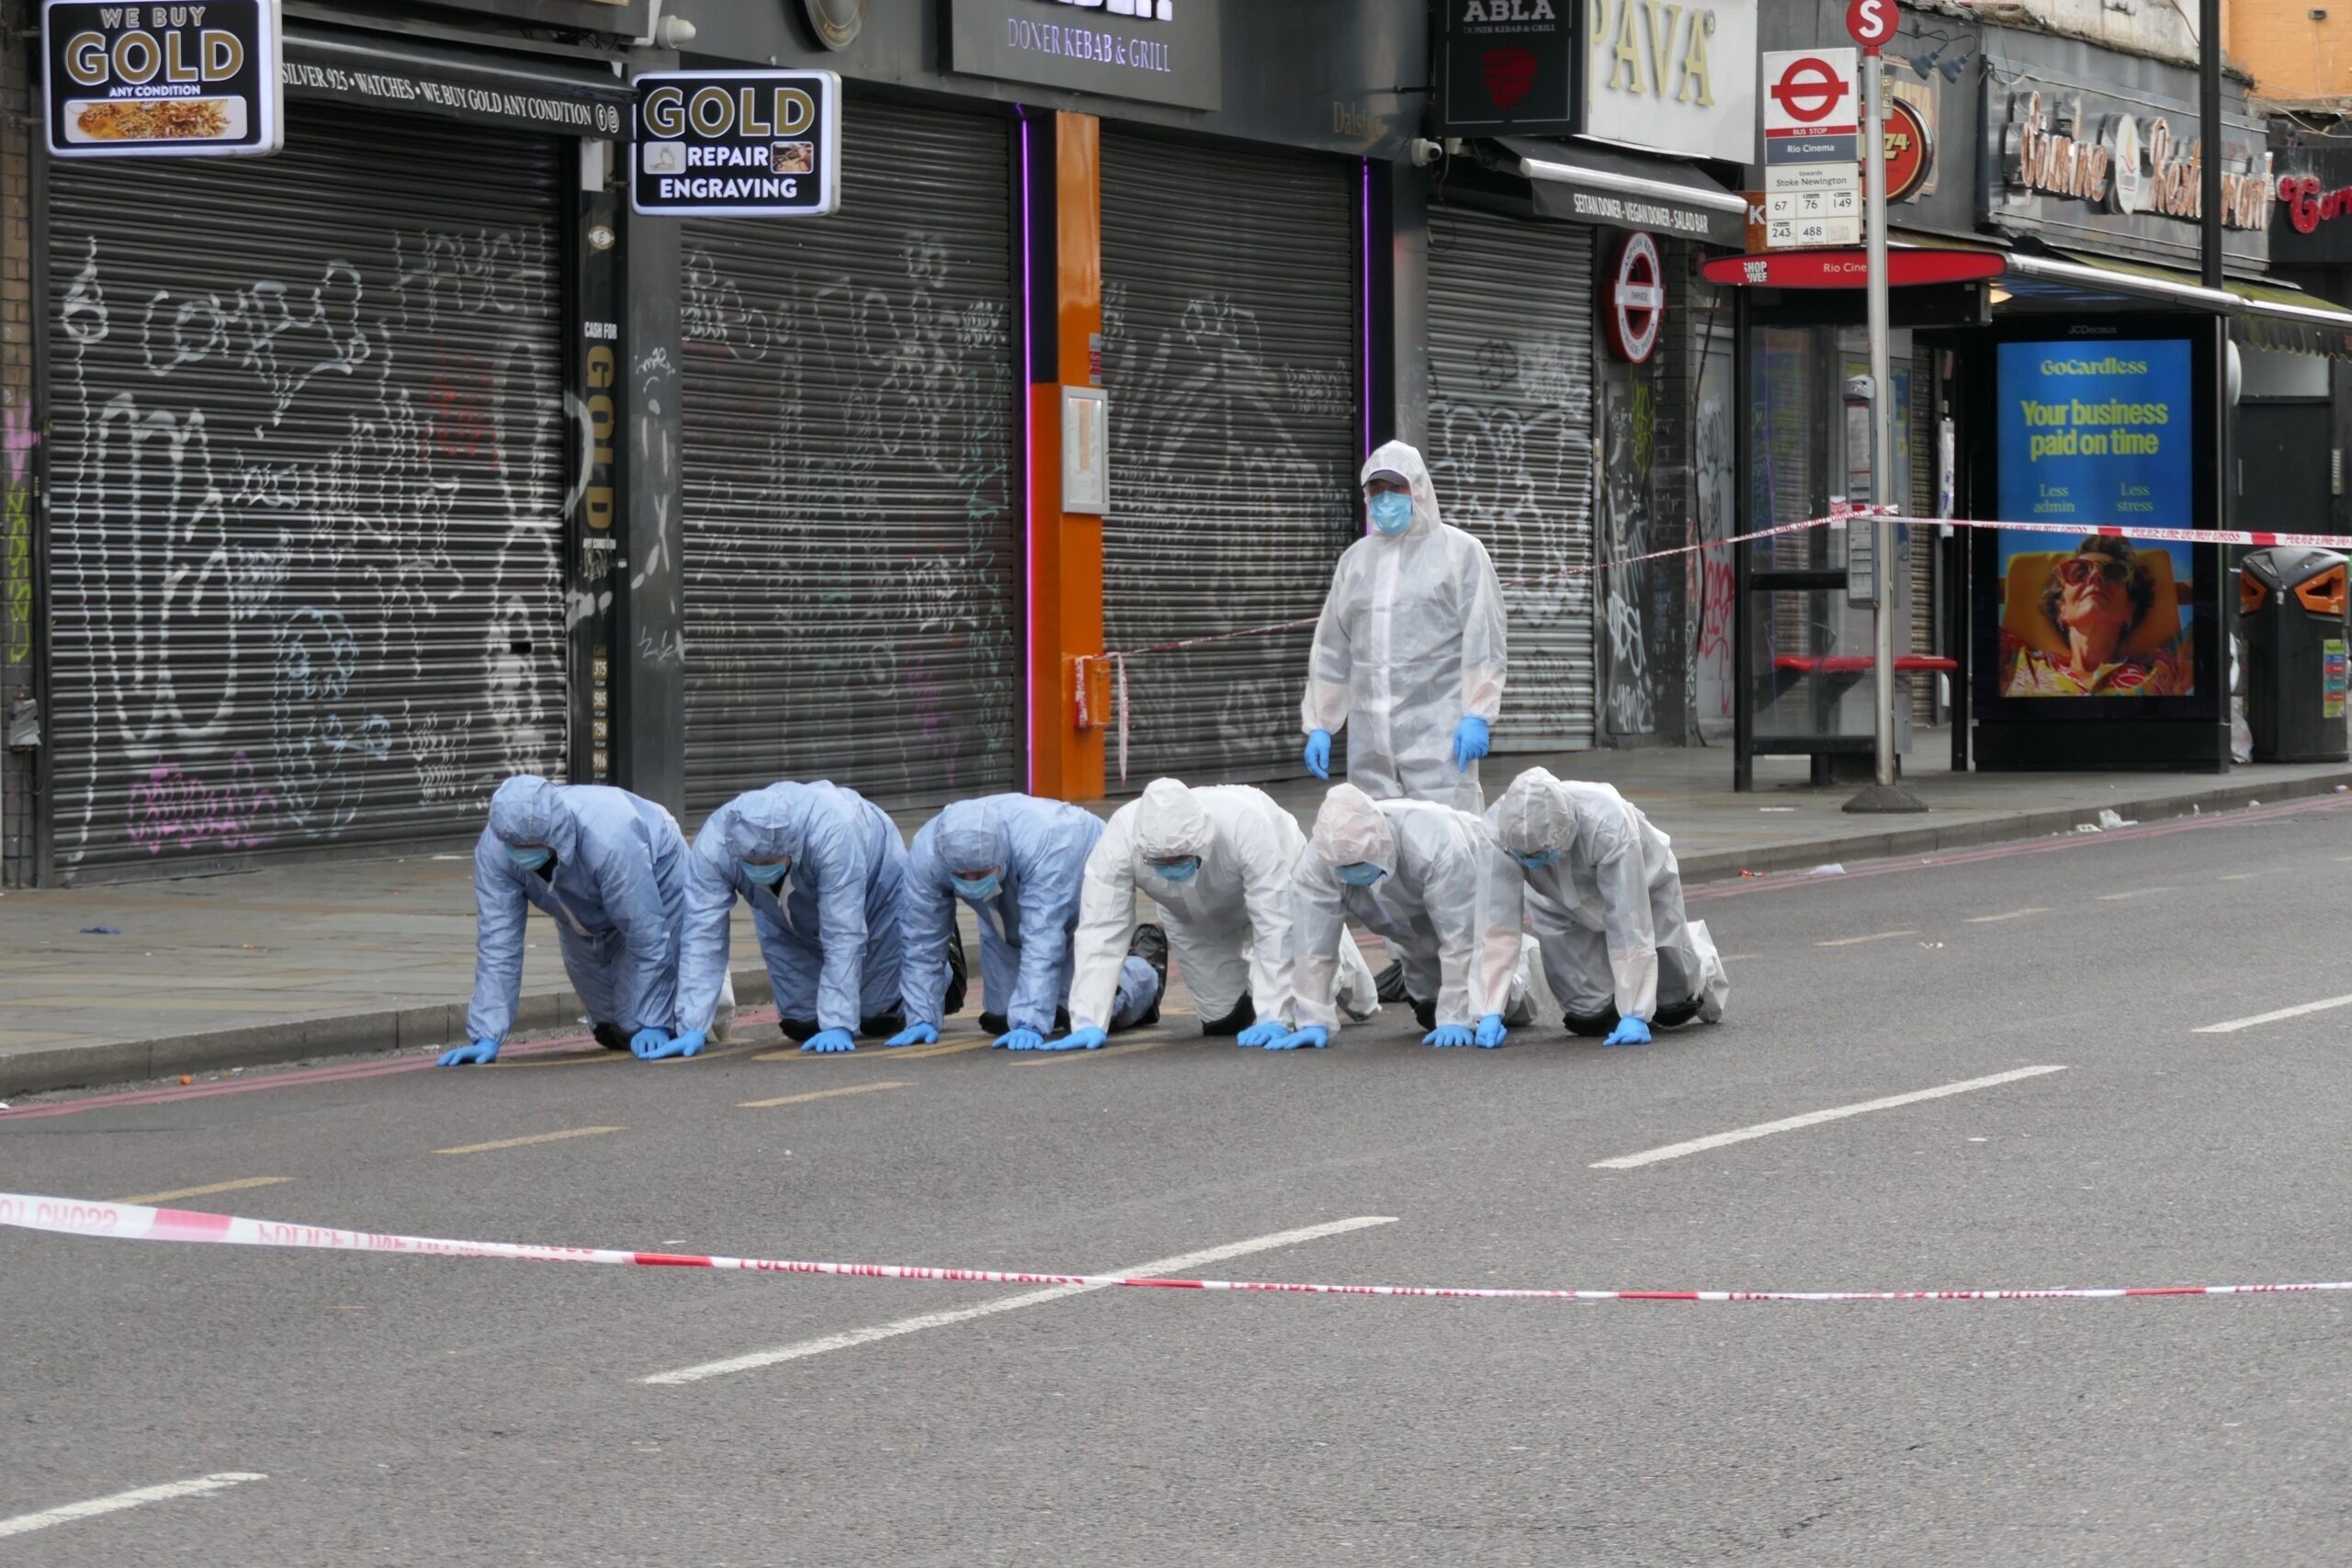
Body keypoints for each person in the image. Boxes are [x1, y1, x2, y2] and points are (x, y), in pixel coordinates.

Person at [1066, 778, 1381, 1052]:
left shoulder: (1246, 823)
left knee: (1308, 987)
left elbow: (1274, 924)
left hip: (1281, 881)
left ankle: (1353, 982)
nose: (1174, 867)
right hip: (1188, 917)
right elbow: (1101, 928)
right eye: (1163, 862)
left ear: (1203, 840)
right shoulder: (1121, 837)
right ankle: (1270, 990)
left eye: (1182, 859)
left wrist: (1275, 1015)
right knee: (1224, 1020)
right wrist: (1088, 1019)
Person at [1302, 440, 1509, 813]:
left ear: (1418, 489)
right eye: (1376, 490)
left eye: (1396, 488)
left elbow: (1485, 638)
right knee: (1377, 844)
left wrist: (1477, 713)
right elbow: (1333, 648)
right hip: (1371, 745)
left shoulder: (1460, 553)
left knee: (1449, 845)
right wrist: (1322, 722)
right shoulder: (1356, 562)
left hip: (1439, 740)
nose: (1385, 499)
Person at [664, 781, 940, 1059]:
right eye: (752, 863)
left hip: (873, 887)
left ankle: (947, 972)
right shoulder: (716, 845)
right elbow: (702, 934)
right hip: (780, 913)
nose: (761, 868)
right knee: (802, 1025)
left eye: (771, 860)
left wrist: (838, 1023)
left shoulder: (832, 833)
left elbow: (843, 932)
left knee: (879, 1016)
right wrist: (692, 1025)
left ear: (792, 846)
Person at [442, 776, 698, 1067]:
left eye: (533, 845)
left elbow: (647, 933)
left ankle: (693, 1015)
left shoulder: (610, 840)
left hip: (656, 868)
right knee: (613, 1025)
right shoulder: (496, 849)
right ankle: (638, 1019)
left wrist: (656, 1021)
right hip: (575, 900)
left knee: (647, 1017)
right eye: (515, 845)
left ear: (556, 834)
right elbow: (498, 943)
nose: (523, 851)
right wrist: (486, 1035)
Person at [1276, 783, 1550, 1051]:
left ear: (1381, 841)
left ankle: (1520, 971)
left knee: (1484, 1005)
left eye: (1360, 862)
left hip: (1467, 912)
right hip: (1412, 934)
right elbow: (1313, 945)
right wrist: (1313, 1018)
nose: (1353, 871)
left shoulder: (1433, 841)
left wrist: (1458, 1016)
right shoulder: (1321, 858)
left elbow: (1461, 936)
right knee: (1430, 1011)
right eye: (1345, 867)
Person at [890, 795, 1164, 1052]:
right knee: (1001, 1018)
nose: (972, 883)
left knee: (1079, 1011)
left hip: (1076, 870)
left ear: (1001, 856)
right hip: (1011, 886)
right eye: (963, 876)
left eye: (981, 873)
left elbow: (1042, 938)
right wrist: (921, 1016)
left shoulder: (1048, 844)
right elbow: (919, 940)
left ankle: (1143, 976)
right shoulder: (930, 854)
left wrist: (1031, 1022)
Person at [1490, 767, 1728, 1046]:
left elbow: (1629, 921)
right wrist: (1488, 1008)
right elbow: (1494, 921)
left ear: (1566, 829)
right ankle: (1531, 979)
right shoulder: (1498, 827)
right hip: (1555, 903)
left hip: (1645, 889)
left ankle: (1703, 963)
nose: (1533, 860)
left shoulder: (1608, 822)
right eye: (1524, 856)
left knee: (1673, 1003)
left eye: (1542, 852)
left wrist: (1635, 1013)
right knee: (1590, 1018)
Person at [2000, 536, 2189, 696]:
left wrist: (2183, 591)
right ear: (2061, 609)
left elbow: (2216, 595)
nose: (2095, 576)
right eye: (2079, 571)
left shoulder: (2164, 667)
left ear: (2129, 610)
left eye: (2114, 573)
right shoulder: (2018, 662)